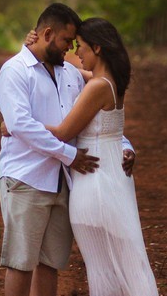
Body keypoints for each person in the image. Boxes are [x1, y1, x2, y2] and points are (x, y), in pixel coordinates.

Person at [0, 3, 110, 296]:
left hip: (63, 181)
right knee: (21, 262)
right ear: (47, 34)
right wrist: (69, 155)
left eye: (74, 43)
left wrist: (123, 144)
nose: (70, 48)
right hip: (26, 177)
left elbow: (102, 104)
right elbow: (20, 125)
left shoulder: (70, 73)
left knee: (50, 263)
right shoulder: (14, 71)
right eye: (66, 41)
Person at [44, 17, 159, 296]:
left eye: (80, 46)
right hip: (112, 177)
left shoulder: (97, 87)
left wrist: (16, 126)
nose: (76, 53)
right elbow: (70, 71)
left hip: (95, 183)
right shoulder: (112, 81)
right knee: (124, 260)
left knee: (103, 264)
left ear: (97, 48)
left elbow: (63, 133)